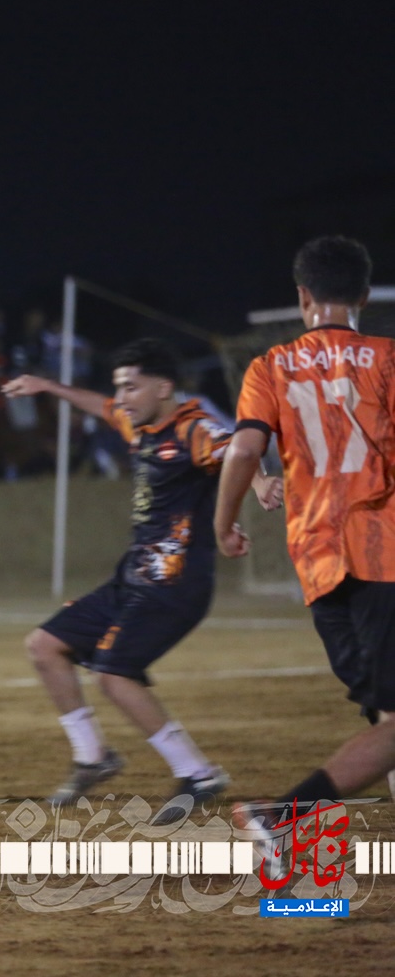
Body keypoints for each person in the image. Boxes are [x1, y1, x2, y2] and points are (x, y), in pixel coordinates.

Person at [2, 339, 281, 823]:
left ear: (164, 387)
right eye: (120, 387)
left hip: (175, 582)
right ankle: (93, 757)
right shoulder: (139, 423)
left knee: (113, 675)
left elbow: (238, 450)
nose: (122, 398)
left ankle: (198, 773)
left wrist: (259, 483)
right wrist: (48, 386)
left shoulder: (193, 427)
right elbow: (101, 406)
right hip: (134, 577)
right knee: (45, 647)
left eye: (131, 387)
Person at [215, 235, 395, 877]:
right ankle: (285, 816)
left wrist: (224, 523)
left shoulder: (270, 366)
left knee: (384, 711)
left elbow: (244, 450)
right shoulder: (388, 359)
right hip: (383, 553)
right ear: (365, 295)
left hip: (318, 564)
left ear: (302, 297)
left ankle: (295, 852)